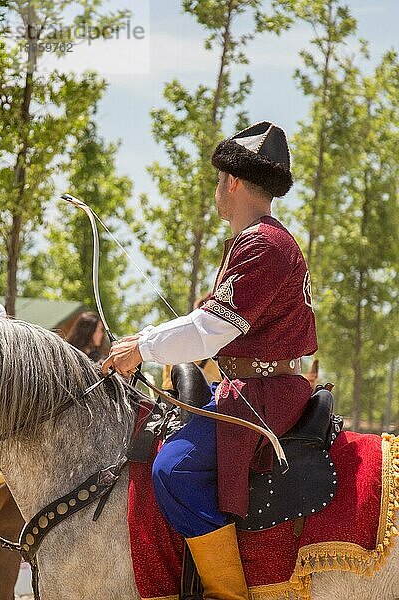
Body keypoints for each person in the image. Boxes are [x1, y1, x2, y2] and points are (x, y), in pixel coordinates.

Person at [103, 121, 317, 600]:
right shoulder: (258, 242)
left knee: (172, 469)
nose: (216, 189)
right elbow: (204, 321)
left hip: (262, 395)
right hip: (251, 388)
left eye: (219, 179)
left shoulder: (263, 244)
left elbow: (208, 332)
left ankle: (228, 595)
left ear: (233, 182)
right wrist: (146, 340)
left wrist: (141, 347)